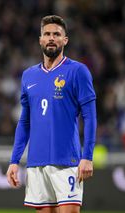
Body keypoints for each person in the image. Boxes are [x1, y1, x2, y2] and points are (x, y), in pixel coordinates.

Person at [6, 15, 97, 213]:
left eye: (56, 34)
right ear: (40, 39)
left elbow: (90, 116)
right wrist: (14, 160)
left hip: (67, 162)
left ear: (65, 40)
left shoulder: (78, 71)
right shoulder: (29, 75)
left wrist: (87, 156)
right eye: (47, 34)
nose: (51, 38)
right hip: (36, 163)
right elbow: (25, 121)